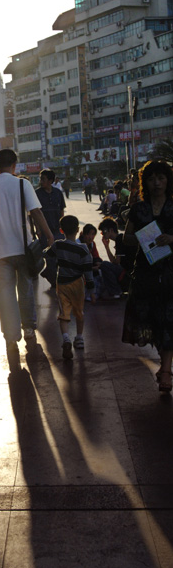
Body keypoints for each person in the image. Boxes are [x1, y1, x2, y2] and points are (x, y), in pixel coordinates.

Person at [0, 149, 54, 366]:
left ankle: (11, 337)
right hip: (23, 248)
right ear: (15, 165)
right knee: (26, 288)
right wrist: (49, 236)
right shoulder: (23, 184)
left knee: (5, 295)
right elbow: (36, 212)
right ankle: (28, 328)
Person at [122, 160, 173, 393]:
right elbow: (127, 238)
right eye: (152, 179)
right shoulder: (139, 209)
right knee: (151, 319)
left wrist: (171, 238)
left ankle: (166, 372)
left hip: (170, 272)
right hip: (144, 272)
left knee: (168, 319)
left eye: (161, 178)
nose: (157, 183)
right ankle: (164, 364)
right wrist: (145, 239)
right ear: (146, 182)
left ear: (168, 180)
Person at [43, 215, 95, 358]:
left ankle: (66, 338)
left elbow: (47, 254)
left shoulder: (58, 245)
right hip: (77, 284)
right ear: (78, 230)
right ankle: (79, 338)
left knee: (64, 313)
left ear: (61, 230)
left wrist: (47, 245)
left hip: (62, 283)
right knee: (79, 312)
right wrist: (91, 289)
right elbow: (88, 271)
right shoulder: (83, 249)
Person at [35, 168, 66, 288]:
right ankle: (54, 282)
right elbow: (35, 213)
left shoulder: (58, 193)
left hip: (57, 229)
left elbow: (62, 210)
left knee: (59, 256)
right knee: (49, 256)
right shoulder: (37, 194)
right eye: (40, 179)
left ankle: (50, 274)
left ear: (51, 180)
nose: (41, 181)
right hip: (44, 231)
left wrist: (62, 226)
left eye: (43, 179)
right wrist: (38, 229)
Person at [98, 217, 136, 299]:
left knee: (104, 265)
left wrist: (107, 248)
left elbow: (116, 262)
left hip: (127, 273)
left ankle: (116, 291)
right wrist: (106, 247)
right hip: (128, 272)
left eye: (103, 232)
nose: (103, 235)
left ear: (111, 230)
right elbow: (114, 261)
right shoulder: (120, 239)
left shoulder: (120, 239)